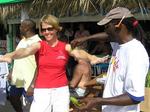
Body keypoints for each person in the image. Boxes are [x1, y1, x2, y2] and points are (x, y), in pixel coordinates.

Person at [0, 14, 108, 112]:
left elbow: (78, 53)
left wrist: (92, 57)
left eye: (50, 29)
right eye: (43, 30)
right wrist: (8, 56)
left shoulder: (65, 46)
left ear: (56, 29)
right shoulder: (39, 45)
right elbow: (25, 51)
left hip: (61, 90)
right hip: (42, 90)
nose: (46, 32)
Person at [72, 7, 150, 112]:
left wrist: (98, 101)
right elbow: (107, 36)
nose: (105, 30)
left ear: (119, 25)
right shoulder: (119, 46)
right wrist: (86, 38)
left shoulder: (135, 54)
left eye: (107, 26)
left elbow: (134, 97)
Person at [7, 19, 41, 112]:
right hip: (19, 78)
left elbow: (40, 66)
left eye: (21, 26)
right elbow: (18, 57)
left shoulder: (37, 42)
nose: (19, 28)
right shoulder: (23, 40)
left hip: (29, 79)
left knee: (33, 104)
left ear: (27, 28)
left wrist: (33, 85)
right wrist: (11, 71)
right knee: (13, 97)